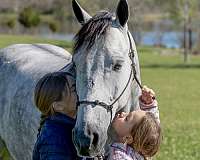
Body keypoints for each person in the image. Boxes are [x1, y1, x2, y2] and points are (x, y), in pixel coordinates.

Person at [32, 72, 81, 160]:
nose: (81, 90)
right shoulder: (54, 141)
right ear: (58, 106)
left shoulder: (71, 126)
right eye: (74, 89)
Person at [108, 86, 162, 160]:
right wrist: (148, 104)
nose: (123, 113)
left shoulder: (118, 156)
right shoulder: (140, 151)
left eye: (126, 118)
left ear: (128, 137)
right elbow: (151, 128)